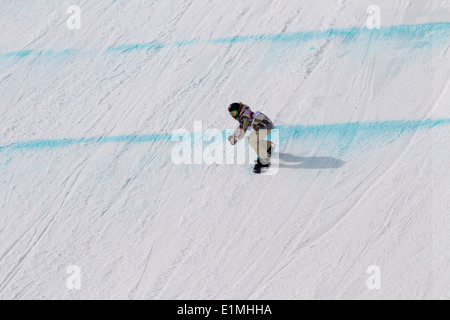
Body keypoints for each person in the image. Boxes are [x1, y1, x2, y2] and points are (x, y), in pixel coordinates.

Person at [227, 102, 275, 173]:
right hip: (262, 126)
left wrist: (235, 140)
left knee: (252, 140)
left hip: (265, 127)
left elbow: (243, 130)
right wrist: (233, 135)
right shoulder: (243, 113)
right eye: (231, 114)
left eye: (234, 113)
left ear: (239, 110)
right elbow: (241, 126)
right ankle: (267, 146)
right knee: (251, 138)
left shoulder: (245, 116)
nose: (233, 115)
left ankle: (265, 160)